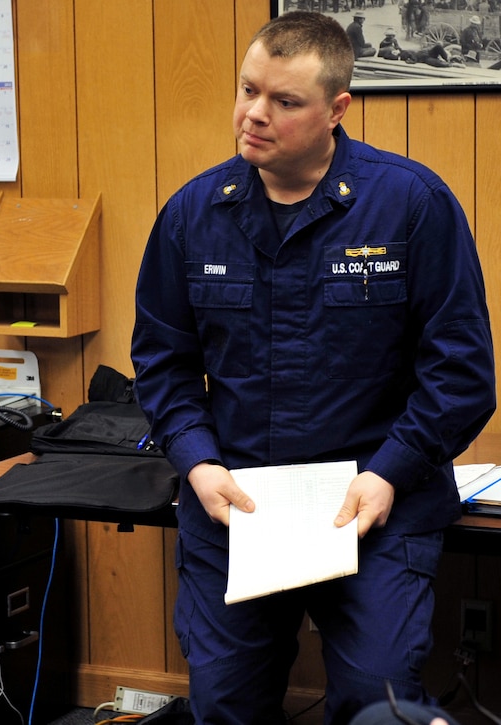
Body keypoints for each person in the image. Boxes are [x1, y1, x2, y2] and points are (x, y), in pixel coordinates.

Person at [131, 11, 495, 725]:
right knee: (224, 704)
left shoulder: (411, 206)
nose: (253, 115)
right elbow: (164, 367)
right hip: (238, 499)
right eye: (247, 90)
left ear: (337, 110)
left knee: (378, 701)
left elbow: (461, 372)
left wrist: (390, 471)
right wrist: (198, 464)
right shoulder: (193, 213)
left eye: (283, 101)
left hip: (373, 499)